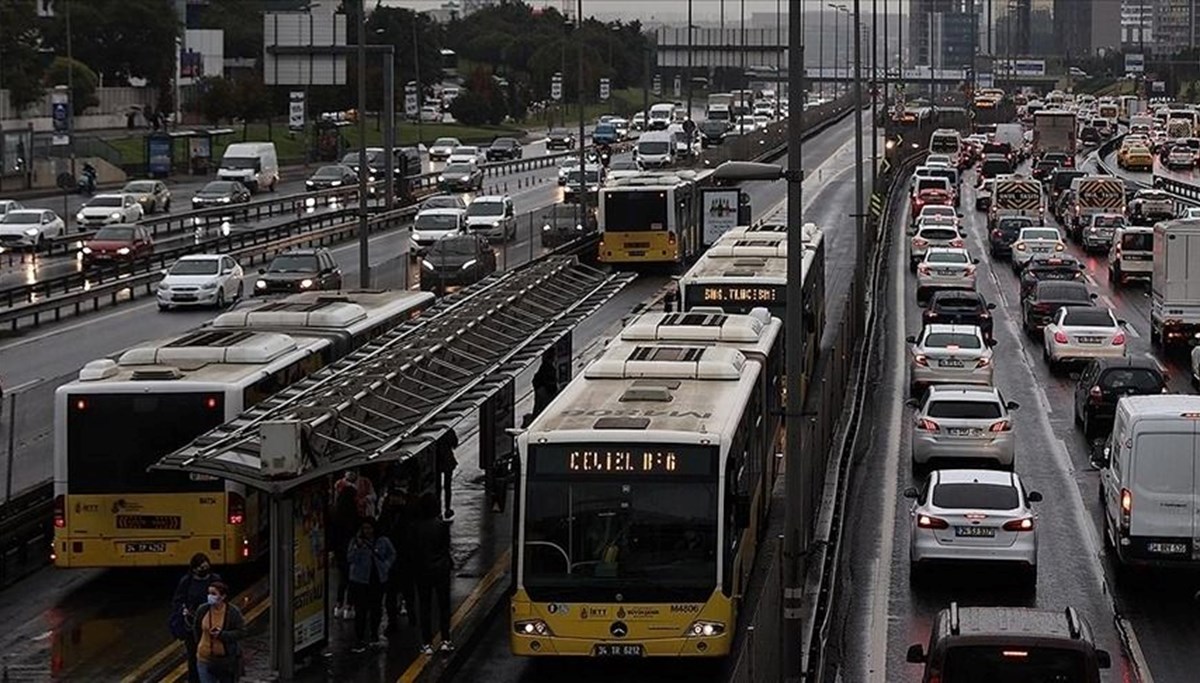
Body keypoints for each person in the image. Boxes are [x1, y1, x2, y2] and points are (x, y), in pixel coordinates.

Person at [347, 517, 396, 652]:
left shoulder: (383, 541)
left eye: (369, 528)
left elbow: (392, 554)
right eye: (364, 528)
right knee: (360, 610)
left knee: (376, 608)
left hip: (377, 579)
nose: (367, 531)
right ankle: (360, 638)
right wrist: (358, 547)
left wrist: (386, 566)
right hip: (360, 580)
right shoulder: (356, 542)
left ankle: (374, 634)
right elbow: (350, 558)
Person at [171, 553, 222, 683]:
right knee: (194, 658)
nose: (203, 570)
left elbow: (222, 600)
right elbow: (178, 600)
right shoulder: (186, 581)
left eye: (205, 567)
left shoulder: (215, 580)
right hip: (192, 627)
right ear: (194, 569)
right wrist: (183, 611)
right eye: (200, 568)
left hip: (211, 625)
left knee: (211, 657)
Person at [413, 493, 454, 654]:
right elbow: (446, 547)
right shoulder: (442, 526)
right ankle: (445, 639)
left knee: (425, 606)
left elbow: (413, 551)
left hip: (422, 570)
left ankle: (427, 642)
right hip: (441, 569)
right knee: (444, 606)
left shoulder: (415, 527)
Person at [378, 484, 417, 632]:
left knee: (404, 591)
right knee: (393, 593)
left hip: (403, 558)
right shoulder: (387, 514)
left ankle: (410, 615)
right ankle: (393, 621)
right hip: (393, 560)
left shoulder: (407, 514)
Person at [192, 581, 246, 683]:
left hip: (225, 661)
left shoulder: (233, 612)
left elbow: (242, 632)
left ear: (223, 596)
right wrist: (199, 644)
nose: (209, 596)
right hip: (204, 658)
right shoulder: (203, 609)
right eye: (209, 593)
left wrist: (222, 635)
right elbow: (196, 628)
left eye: (213, 594)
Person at [330, 483, 359, 620]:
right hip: (351, 548)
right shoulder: (353, 513)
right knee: (352, 578)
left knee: (342, 578)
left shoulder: (336, 513)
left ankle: (338, 605)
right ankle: (350, 606)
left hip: (339, 549)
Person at [435, 431, 459, 521]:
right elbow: (455, 444)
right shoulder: (449, 431)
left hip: (437, 461)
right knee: (447, 486)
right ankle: (447, 508)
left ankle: (438, 510)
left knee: (437, 488)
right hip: (448, 460)